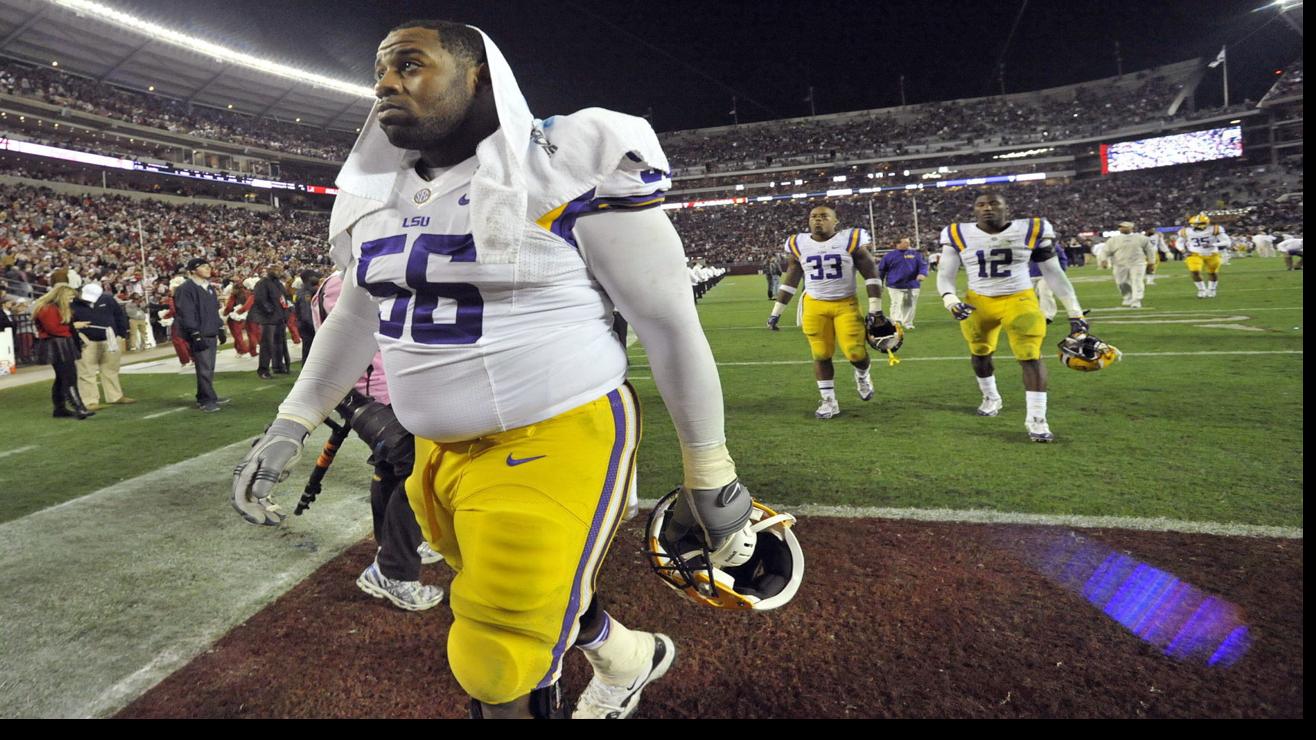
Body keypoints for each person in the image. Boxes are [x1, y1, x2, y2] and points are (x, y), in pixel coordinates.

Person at [233, 20, 758, 720]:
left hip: (555, 433)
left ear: (478, 74)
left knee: (497, 653)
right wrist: (291, 423)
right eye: (380, 73)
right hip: (437, 453)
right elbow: (356, 319)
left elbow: (668, 324)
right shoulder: (377, 193)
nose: (385, 83)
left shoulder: (562, 165)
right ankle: (629, 658)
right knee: (510, 588)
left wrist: (711, 467)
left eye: (409, 65)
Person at [313, 271, 445, 611]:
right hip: (368, 394)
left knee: (391, 466)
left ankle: (394, 547)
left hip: (375, 391)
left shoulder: (346, 278)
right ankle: (394, 571)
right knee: (420, 468)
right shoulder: (348, 282)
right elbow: (357, 338)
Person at [936, 192, 1087, 442]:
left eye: (994, 203)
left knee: (1030, 355)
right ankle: (991, 396)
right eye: (981, 204)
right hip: (978, 301)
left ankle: (1037, 419)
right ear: (974, 210)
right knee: (980, 354)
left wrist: (1075, 312)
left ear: (1007, 208)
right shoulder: (957, 233)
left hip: (1019, 298)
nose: (987, 208)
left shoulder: (1031, 229)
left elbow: (1054, 273)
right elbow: (945, 273)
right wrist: (950, 299)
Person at [767, 205, 885, 419]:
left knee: (855, 353)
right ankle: (829, 401)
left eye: (824, 216)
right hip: (815, 305)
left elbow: (872, 275)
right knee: (820, 353)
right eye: (813, 216)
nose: (818, 220)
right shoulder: (798, 243)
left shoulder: (850, 240)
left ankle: (862, 375)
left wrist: (876, 309)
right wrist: (776, 311)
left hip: (845, 304)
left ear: (835, 221)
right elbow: (791, 279)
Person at [31, 282, 94, 419]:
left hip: (60, 343)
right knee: (69, 377)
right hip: (57, 344)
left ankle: (60, 409)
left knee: (62, 378)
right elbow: (54, 329)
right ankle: (79, 408)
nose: (71, 300)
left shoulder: (53, 307)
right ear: (61, 296)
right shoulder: (47, 308)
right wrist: (71, 329)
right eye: (69, 297)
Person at [173, 257, 227, 413]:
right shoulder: (186, 288)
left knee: (209, 367)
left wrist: (220, 327)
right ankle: (207, 399)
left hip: (210, 331)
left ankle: (205, 395)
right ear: (193, 271)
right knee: (204, 368)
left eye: (208, 265)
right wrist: (194, 333)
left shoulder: (208, 287)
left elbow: (213, 310)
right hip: (199, 332)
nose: (208, 268)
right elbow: (186, 312)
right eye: (203, 266)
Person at [72, 281, 134, 409]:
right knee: (86, 372)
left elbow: (119, 316)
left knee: (111, 369)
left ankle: (115, 396)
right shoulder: (72, 304)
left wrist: (121, 334)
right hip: (86, 340)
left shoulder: (107, 299)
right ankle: (89, 401)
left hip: (110, 339)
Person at [1102, 222, 1157, 309]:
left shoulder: (1141, 238)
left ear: (1131, 228)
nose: (1121, 229)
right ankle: (1128, 297)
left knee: (1137, 281)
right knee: (1121, 282)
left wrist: (1151, 262)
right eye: (1120, 227)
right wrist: (1103, 260)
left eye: (1124, 227)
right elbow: (1105, 251)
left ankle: (1136, 301)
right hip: (1119, 264)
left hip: (1138, 263)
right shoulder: (1113, 239)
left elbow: (1150, 250)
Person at [877, 237, 927, 329]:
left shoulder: (916, 254)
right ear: (898, 244)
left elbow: (923, 265)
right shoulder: (889, 256)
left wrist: (922, 273)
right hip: (895, 285)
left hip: (912, 284)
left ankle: (908, 323)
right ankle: (895, 322)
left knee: (909, 304)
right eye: (905, 242)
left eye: (908, 242)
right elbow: (881, 271)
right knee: (896, 303)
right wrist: (879, 284)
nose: (908, 244)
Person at [1177, 213, 1230, 298]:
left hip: (1212, 253)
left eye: (1200, 224)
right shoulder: (1186, 231)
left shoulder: (1215, 229)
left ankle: (1212, 289)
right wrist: (1183, 251)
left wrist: (1213, 244)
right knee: (1194, 271)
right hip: (1194, 254)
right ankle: (1202, 290)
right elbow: (1179, 242)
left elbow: (1227, 242)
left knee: (1212, 273)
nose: (1197, 226)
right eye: (1195, 224)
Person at [251, 265, 289, 379]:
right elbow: (260, 299)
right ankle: (263, 369)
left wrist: (286, 311)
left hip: (279, 317)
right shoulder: (262, 283)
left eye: (279, 269)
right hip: (268, 319)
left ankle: (278, 366)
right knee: (267, 345)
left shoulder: (279, 284)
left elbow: (284, 298)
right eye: (275, 270)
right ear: (269, 271)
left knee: (279, 343)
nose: (278, 271)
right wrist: (270, 311)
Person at [1029, 234, 1069, 322]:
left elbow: (1062, 259)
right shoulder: (1029, 245)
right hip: (1031, 274)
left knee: (1045, 293)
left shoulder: (1054, 246)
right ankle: (1031, 314)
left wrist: (1060, 271)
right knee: (1029, 296)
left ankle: (1047, 316)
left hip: (1047, 275)